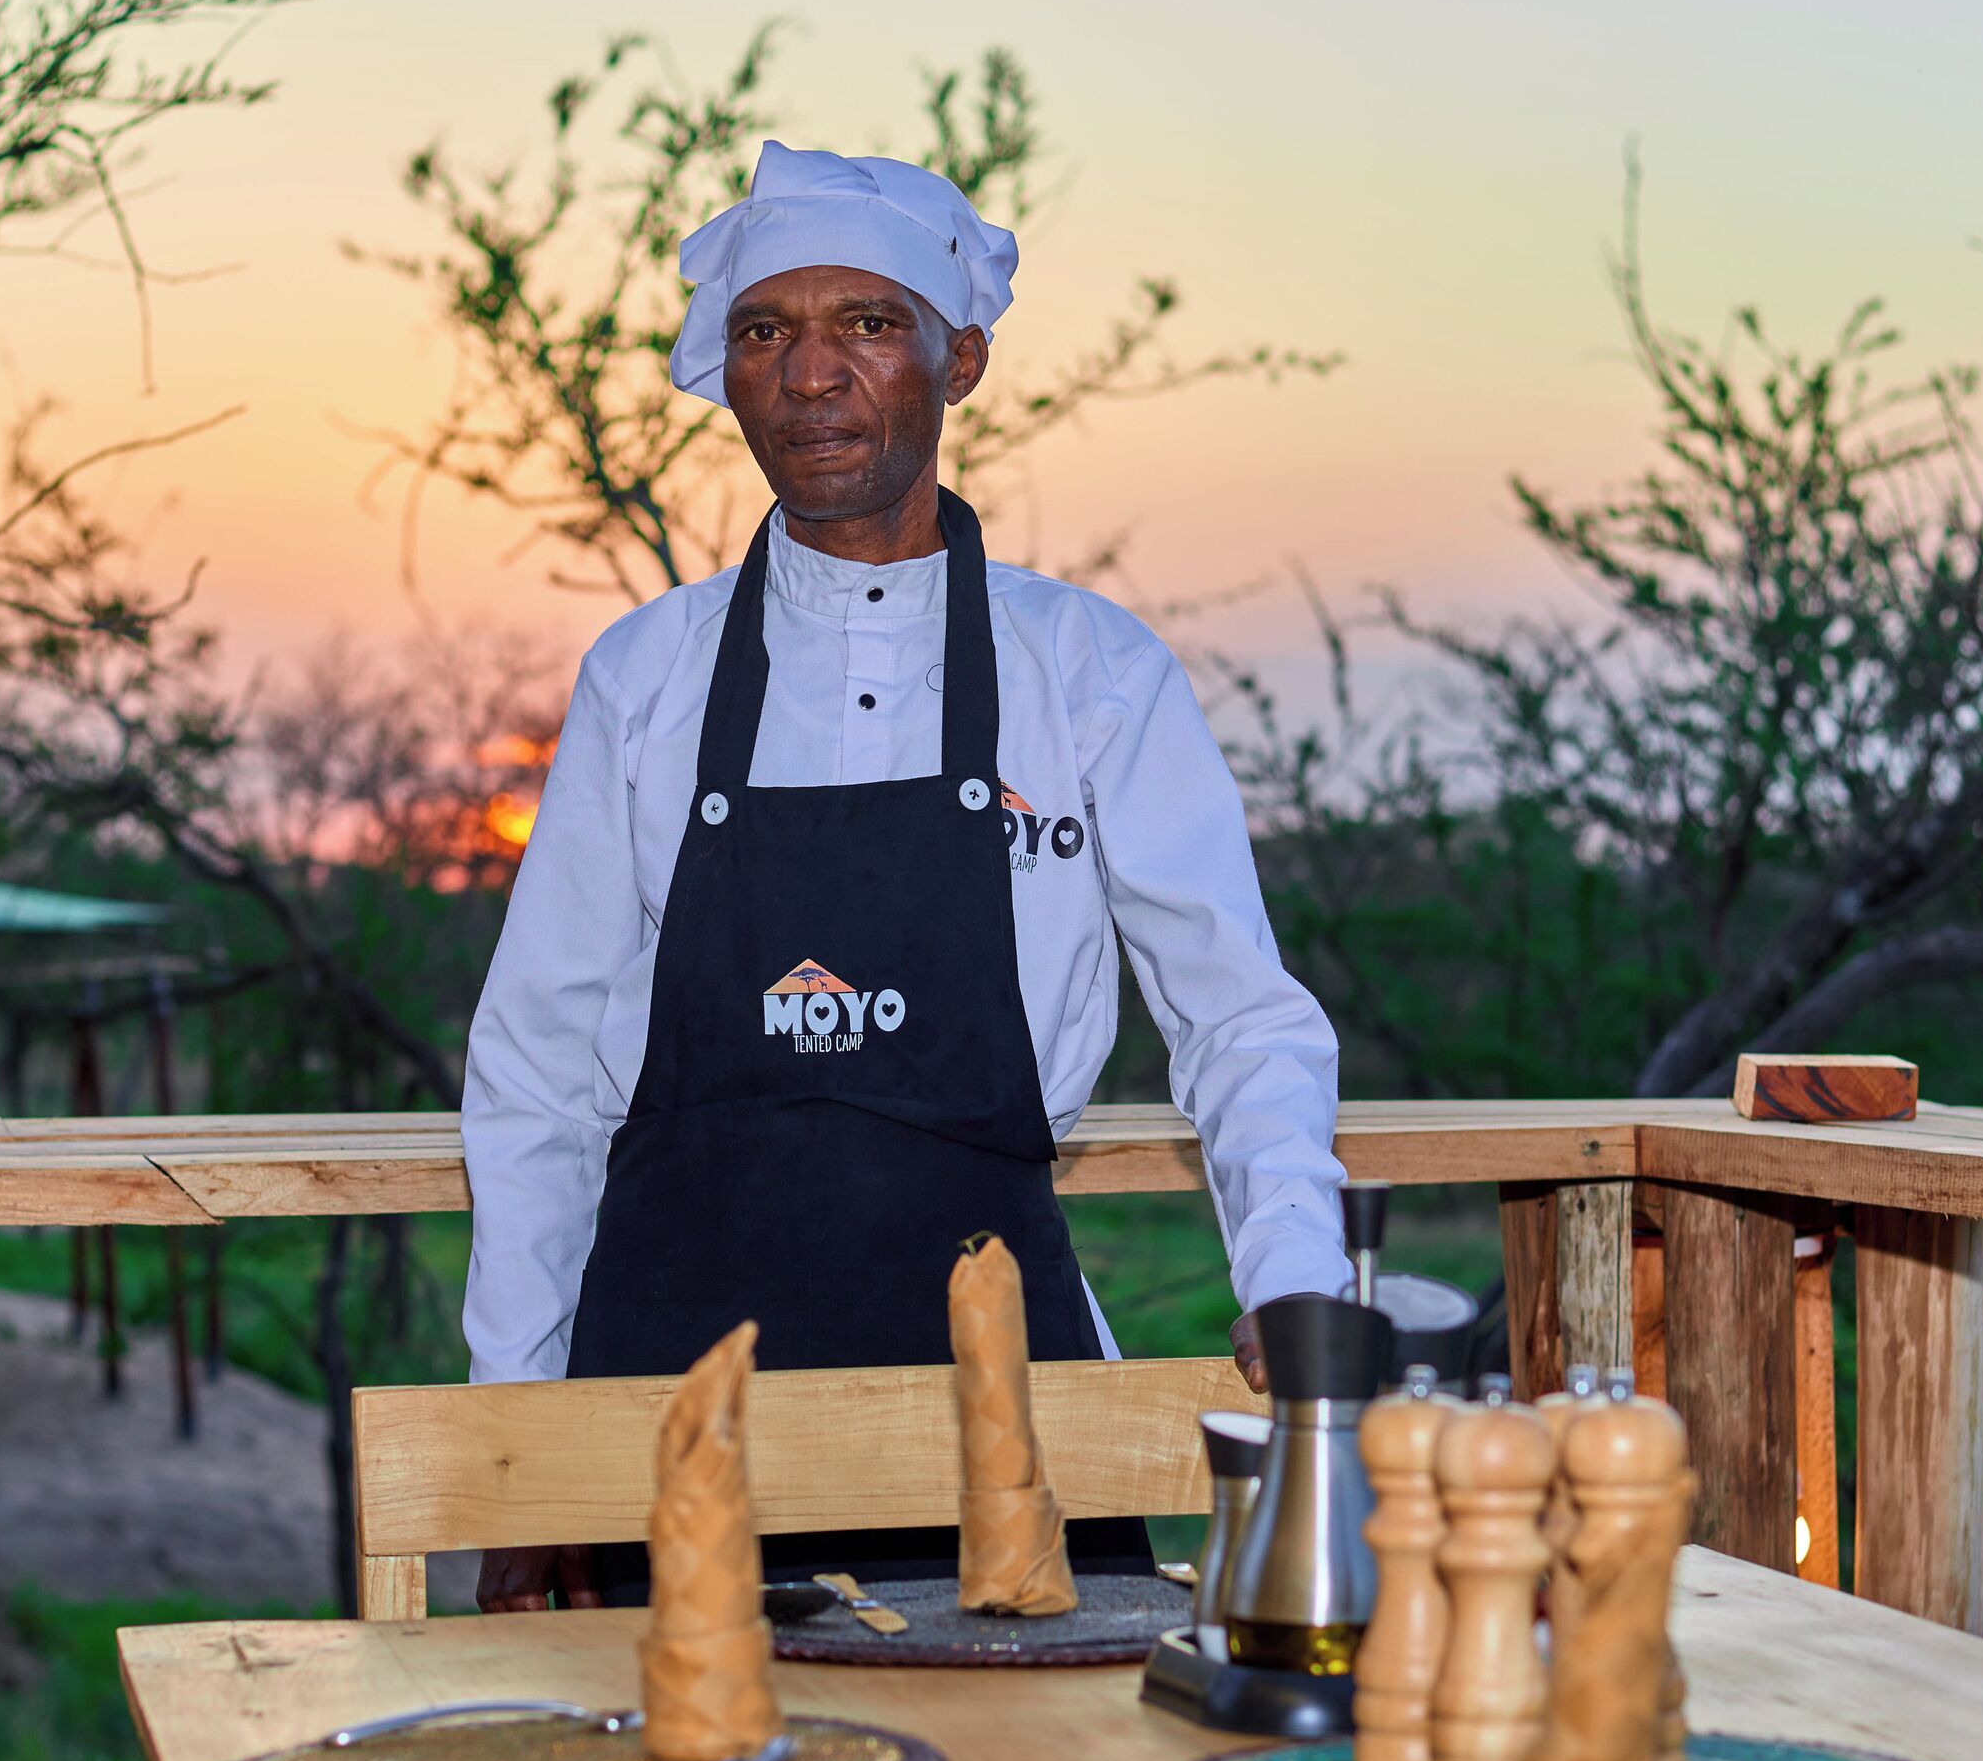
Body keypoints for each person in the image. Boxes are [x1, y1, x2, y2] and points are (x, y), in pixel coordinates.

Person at [459, 143, 1348, 1608]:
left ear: (962, 359)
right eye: (767, 331)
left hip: (987, 1384)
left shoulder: (1090, 672)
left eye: (866, 324)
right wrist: (524, 1443)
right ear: (729, 376)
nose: (811, 374)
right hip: (669, 1390)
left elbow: (1238, 1015)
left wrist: (1294, 1269)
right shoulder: (648, 677)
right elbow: (539, 1071)